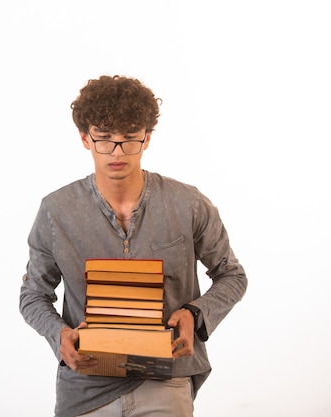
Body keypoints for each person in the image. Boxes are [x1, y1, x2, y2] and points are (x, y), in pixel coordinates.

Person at [19, 75, 247, 417]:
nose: (117, 152)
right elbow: (33, 294)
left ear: (147, 138)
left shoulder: (188, 203)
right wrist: (59, 334)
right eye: (105, 139)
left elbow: (232, 276)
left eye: (129, 139)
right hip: (85, 385)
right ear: (85, 138)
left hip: (166, 379)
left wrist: (195, 314)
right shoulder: (56, 210)